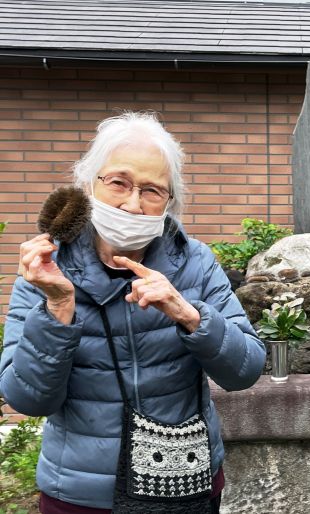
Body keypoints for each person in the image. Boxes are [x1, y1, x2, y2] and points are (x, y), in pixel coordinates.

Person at [0, 112, 266, 513]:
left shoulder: (195, 263)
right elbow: (29, 398)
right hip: (82, 493)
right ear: (89, 185)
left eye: (152, 191)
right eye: (118, 183)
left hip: (184, 482)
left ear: (169, 202)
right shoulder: (46, 271)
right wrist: (58, 306)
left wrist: (189, 314)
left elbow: (245, 370)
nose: (133, 203)